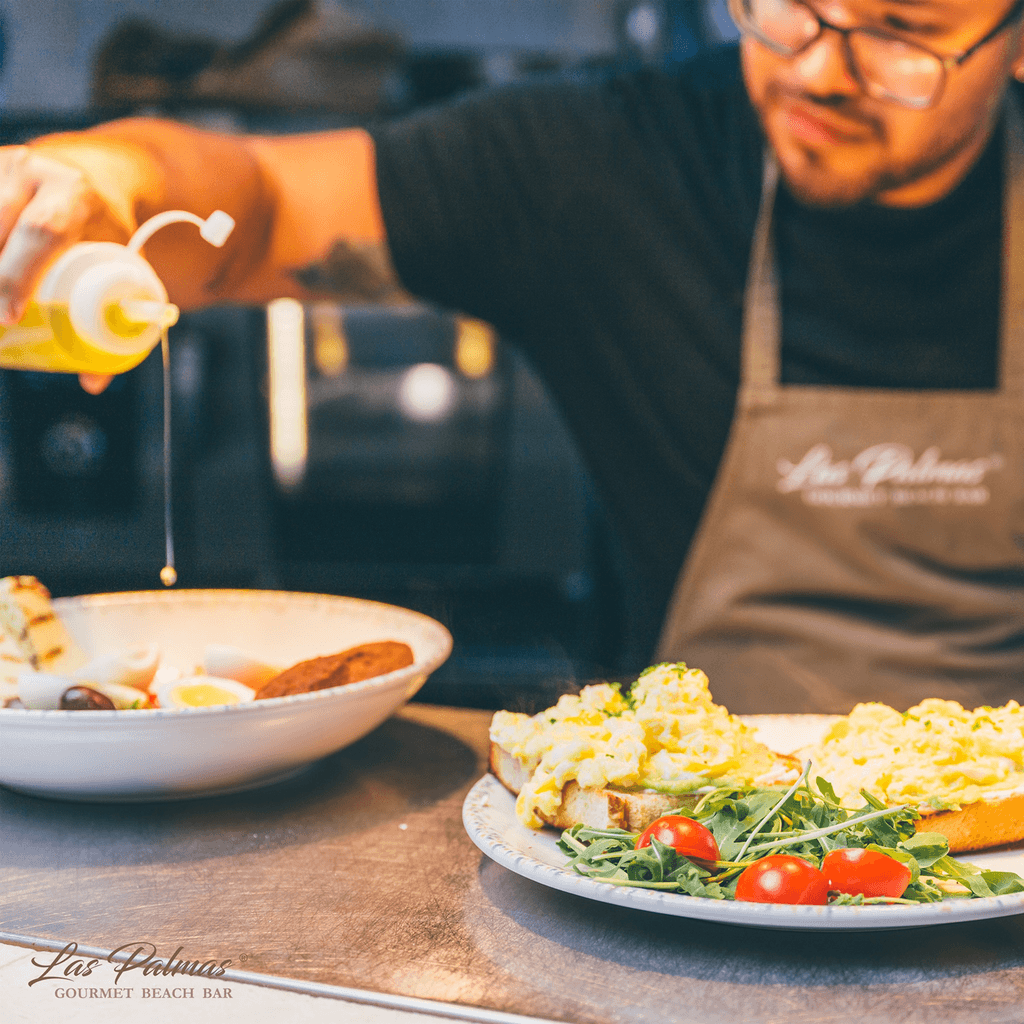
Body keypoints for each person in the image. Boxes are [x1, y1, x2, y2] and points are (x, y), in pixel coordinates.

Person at [1, 0, 1022, 714]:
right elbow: (261, 209)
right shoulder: (614, 162)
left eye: (901, 33)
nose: (813, 67)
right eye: (788, 5)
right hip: (700, 842)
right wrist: (103, 180)